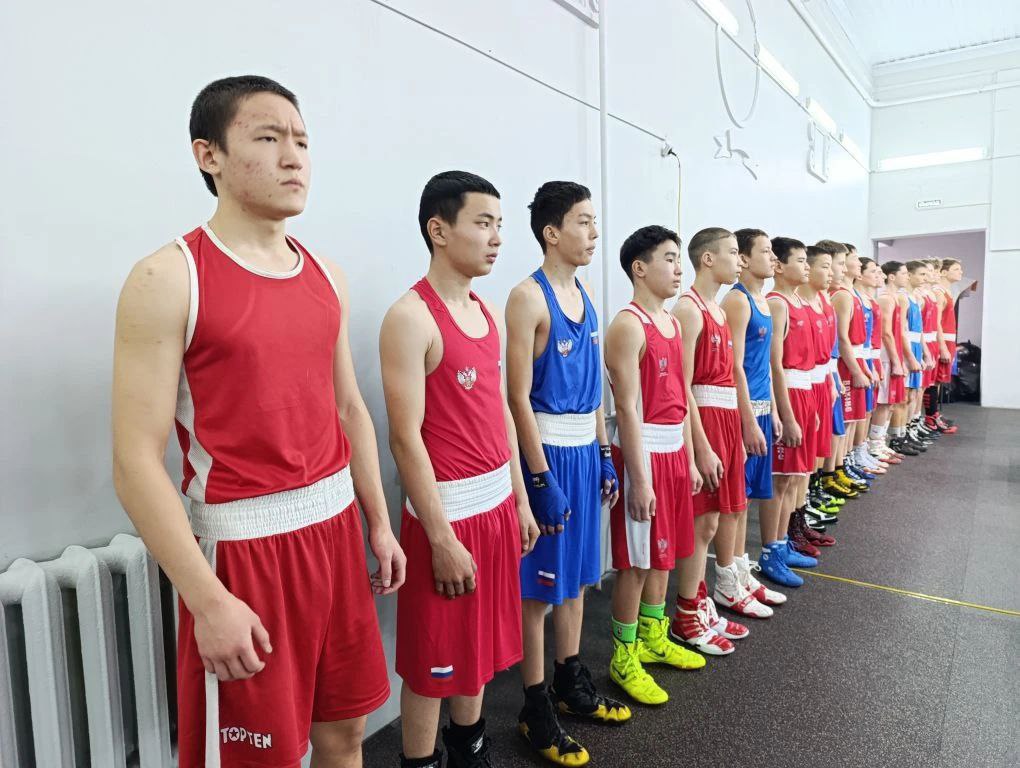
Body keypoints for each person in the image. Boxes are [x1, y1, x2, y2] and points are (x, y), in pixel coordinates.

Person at [112, 76, 403, 768]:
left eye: (301, 140)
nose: (293, 156)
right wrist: (207, 601)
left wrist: (378, 521)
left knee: (345, 736)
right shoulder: (168, 278)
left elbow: (348, 409)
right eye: (268, 138)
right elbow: (133, 461)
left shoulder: (325, 274)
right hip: (244, 554)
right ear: (208, 155)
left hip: (335, 533)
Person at [380, 171, 540, 768]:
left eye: (500, 225)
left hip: (496, 508)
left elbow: (500, 414)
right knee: (433, 665)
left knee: (476, 654)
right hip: (445, 520)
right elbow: (405, 439)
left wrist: (520, 500)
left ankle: (469, 752)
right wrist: (441, 538)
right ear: (439, 230)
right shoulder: (410, 318)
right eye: (483, 223)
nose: (497, 237)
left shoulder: (487, 312)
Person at [505, 181, 629, 766]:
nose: (594, 233)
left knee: (579, 579)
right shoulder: (526, 298)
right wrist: (538, 479)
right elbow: (516, 397)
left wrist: (604, 452)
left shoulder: (586, 293)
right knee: (538, 592)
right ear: (552, 232)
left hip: (584, 451)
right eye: (583, 221)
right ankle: (534, 707)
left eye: (594, 221)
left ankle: (568, 682)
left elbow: (596, 387)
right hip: (548, 455)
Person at [606, 225, 707, 706]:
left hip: (673, 452)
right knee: (637, 562)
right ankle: (623, 655)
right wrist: (639, 480)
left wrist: (689, 457)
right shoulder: (628, 325)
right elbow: (627, 408)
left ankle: (653, 636)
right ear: (639, 268)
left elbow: (680, 399)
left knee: (665, 554)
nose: (678, 268)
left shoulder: (673, 322)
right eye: (669, 258)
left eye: (678, 258)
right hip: (641, 454)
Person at [671, 228, 762, 652]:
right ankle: (686, 614)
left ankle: (700, 601)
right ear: (707, 259)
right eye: (732, 253)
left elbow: (729, 378)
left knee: (717, 519)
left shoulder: (719, 312)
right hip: (703, 421)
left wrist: (739, 429)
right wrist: (701, 447)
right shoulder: (688, 310)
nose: (739, 261)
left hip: (724, 420)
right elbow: (683, 385)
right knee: (702, 522)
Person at [719, 229, 788, 608]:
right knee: (734, 502)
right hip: (741, 412)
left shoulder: (763, 301)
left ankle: (742, 573)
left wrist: (773, 410)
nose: (773, 257)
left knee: (745, 501)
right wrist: (747, 420)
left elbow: (766, 366)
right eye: (766, 251)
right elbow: (735, 367)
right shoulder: (738, 300)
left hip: (761, 409)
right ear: (744, 259)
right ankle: (727, 580)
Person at [931, 258, 963, 433]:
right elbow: (935, 323)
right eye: (956, 269)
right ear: (943, 272)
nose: (960, 272)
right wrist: (942, 347)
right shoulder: (938, 292)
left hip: (948, 340)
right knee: (933, 381)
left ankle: (934, 415)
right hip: (940, 342)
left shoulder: (947, 292)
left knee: (938, 381)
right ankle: (930, 418)